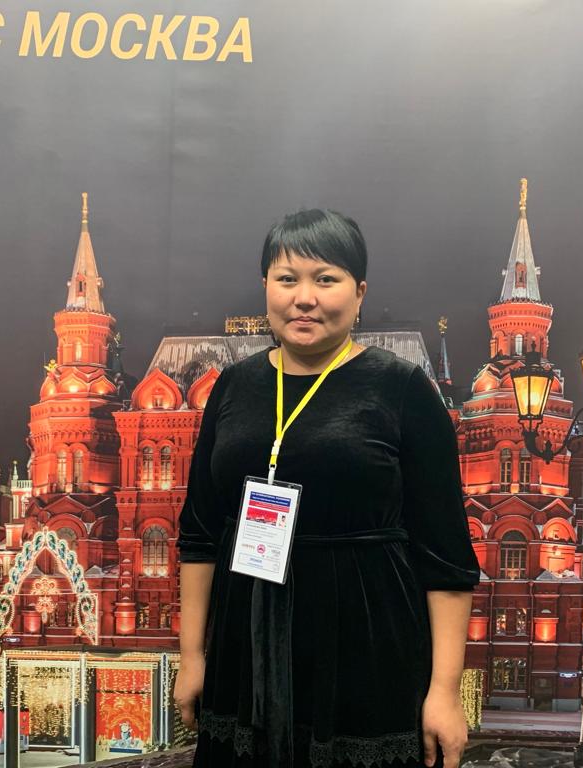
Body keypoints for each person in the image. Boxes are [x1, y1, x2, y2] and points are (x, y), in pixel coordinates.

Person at [174, 208, 481, 768]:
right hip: (247, 639)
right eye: (287, 279)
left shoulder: (401, 387)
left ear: (359, 292)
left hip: (366, 638)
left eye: (325, 279)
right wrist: (193, 656)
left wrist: (444, 690)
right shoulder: (234, 386)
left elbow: (446, 558)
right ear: (266, 287)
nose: (304, 298)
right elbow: (199, 534)